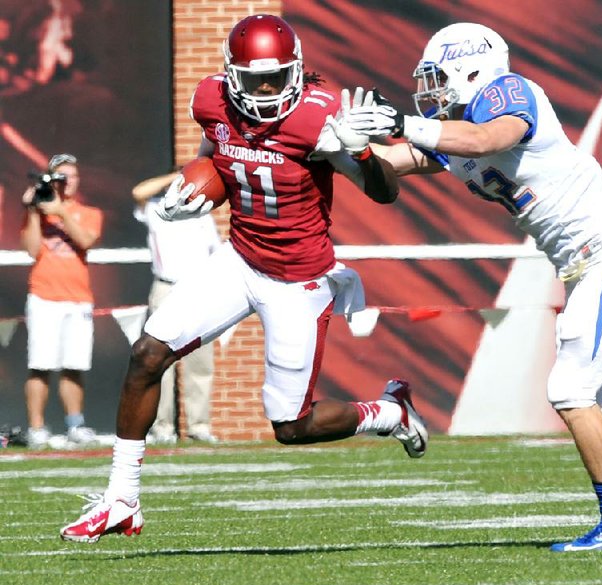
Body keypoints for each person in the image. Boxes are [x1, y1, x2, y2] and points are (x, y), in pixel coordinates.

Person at [337, 22, 602, 551]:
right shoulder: (450, 128)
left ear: (471, 67)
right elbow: (389, 165)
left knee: (568, 392)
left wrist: (403, 123)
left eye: (436, 76)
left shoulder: (507, 94)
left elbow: (486, 138)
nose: (430, 90)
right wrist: (337, 146)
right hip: (585, 267)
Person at [59, 14, 427, 543]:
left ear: (296, 71)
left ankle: (389, 412)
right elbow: (217, 155)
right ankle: (122, 498)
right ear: (232, 75)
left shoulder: (318, 121)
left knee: (291, 426)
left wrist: (362, 150)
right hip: (240, 257)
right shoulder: (212, 101)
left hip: (298, 279)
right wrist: (196, 190)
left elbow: (385, 193)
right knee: (147, 353)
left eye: (277, 77)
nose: (267, 89)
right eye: (256, 80)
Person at [132, 171, 222, 444]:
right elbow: (139, 191)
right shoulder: (156, 209)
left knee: (200, 362)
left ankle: (199, 426)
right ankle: (162, 428)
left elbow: (215, 254)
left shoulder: (203, 216)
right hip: (166, 287)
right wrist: (178, 176)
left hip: (197, 288)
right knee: (159, 361)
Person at [20, 152, 103, 449]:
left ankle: (75, 424)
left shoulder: (89, 212)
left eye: (71, 175)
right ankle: (37, 427)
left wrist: (63, 212)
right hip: (44, 296)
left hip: (78, 298)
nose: (66, 181)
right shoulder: (40, 214)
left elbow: (86, 240)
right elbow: (32, 251)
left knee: (73, 365)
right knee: (40, 365)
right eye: (61, 176)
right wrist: (33, 211)